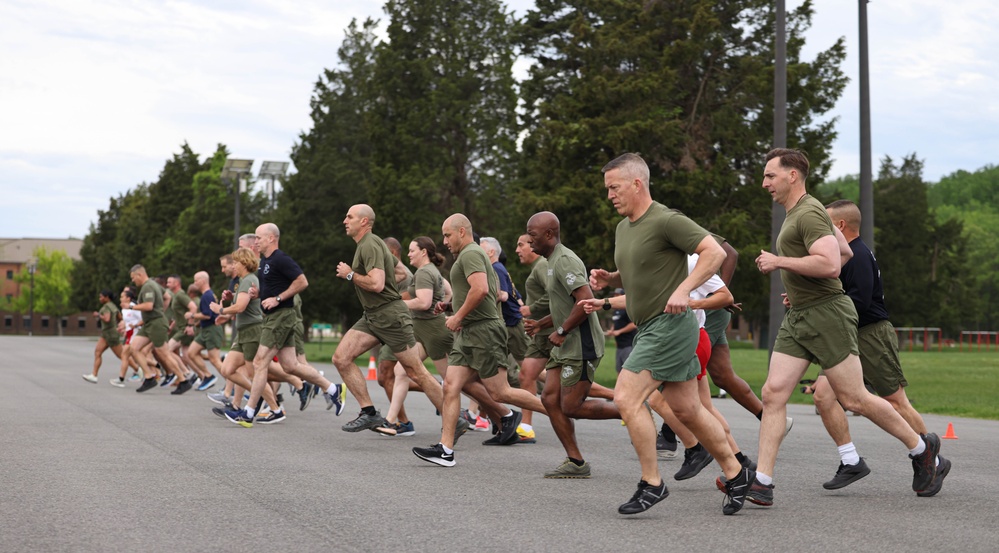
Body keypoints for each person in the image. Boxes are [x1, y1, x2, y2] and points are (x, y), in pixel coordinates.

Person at [751, 148, 940, 506]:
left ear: (793, 176)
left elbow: (832, 265)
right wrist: (798, 287)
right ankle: (762, 482)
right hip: (801, 315)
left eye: (770, 176)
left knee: (855, 398)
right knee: (773, 393)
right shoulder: (806, 213)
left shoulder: (807, 212)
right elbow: (845, 252)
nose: (765, 183)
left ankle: (921, 449)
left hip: (826, 314)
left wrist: (780, 261)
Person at [589, 153, 752, 515]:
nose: (610, 195)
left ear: (637, 183)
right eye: (607, 189)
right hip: (650, 325)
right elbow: (641, 271)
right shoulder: (623, 227)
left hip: (670, 327)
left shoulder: (666, 220)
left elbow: (714, 251)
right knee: (687, 409)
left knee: (627, 397)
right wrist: (610, 280)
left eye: (614, 188)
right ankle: (737, 471)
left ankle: (652, 483)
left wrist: (686, 289)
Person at [804, 199, 950, 496]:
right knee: (823, 396)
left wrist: (827, 317)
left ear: (841, 225)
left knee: (896, 401)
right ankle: (851, 460)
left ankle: (932, 460)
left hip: (870, 335)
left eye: (828, 224)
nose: (823, 231)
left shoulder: (857, 256)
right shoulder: (843, 256)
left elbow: (859, 302)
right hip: (845, 335)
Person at [412, 214, 547, 467]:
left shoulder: (472, 253)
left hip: (484, 331)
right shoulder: (471, 256)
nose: (444, 241)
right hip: (469, 331)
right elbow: (490, 292)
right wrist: (452, 305)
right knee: (450, 385)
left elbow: (482, 290)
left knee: (500, 391)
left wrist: (457, 316)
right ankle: (445, 450)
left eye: (448, 235)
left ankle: (556, 411)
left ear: (462, 231)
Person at [331, 205, 454, 434]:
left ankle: (455, 420)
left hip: (389, 317)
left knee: (415, 371)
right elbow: (401, 274)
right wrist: (392, 294)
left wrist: (350, 274)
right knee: (341, 358)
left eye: (350, 217)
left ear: (365, 221)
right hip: (373, 316)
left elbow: (377, 283)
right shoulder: (371, 244)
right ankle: (369, 413)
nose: (344, 220)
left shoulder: (369, 244)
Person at [523, 211, 620, 478]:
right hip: (566, 343)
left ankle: (629, 410)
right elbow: (564, 305)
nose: (529, 242)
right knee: (549, 398)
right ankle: (576, 462)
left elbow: (585, 301)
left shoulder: (564, 260)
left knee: (571, 406)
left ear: (549, 234)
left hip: (581, 343)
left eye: (532, 236)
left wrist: (563, 330)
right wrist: (541, 325)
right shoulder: (551, 261)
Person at [223, 223, 345, 427]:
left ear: (271, 238)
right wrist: (258, 294)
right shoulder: (264, 263)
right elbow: (270, 288)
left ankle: (248, 413)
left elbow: (302, 282)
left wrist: (278, 299)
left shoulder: (280, 259)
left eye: (259, 238)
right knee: (290, 365)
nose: (256, 242)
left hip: (281, 315)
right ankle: (333, 389)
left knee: (259, 362)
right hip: (273, 316)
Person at [515, 233, 551, 443]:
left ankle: (618, 402)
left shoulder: (542, 266)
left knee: (570, 387)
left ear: (533, 245)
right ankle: (526, 427)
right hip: (540, 334)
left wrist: (531, 309)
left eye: (521, 245)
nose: (517, 250)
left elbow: (555, 293)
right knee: (526, 375)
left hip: (553, 333)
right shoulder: (537, 268)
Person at [127, 265, 186, 393]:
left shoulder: (148, 286)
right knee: (134, 348)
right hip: (150, 323)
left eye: (133, 278)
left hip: (156, 324)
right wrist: (161, 311)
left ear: (140, 275)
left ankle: (183, 380)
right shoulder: (153, 284)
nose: (133, 281)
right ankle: (149, 377)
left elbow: (148, 306)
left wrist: (131, 307)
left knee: (164, 354)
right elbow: (167, 297)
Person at [84, 289, 123, 383]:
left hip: (110, 334)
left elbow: (107, 319)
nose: (100, 298)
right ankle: (94, 375)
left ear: (107, 297)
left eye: (101, 296)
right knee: (98, 352)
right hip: (106, 334)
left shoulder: (106, 307)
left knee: (122, 356)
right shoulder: (113, 306)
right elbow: (120, 317)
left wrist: (98, 315)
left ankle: (139, 370)